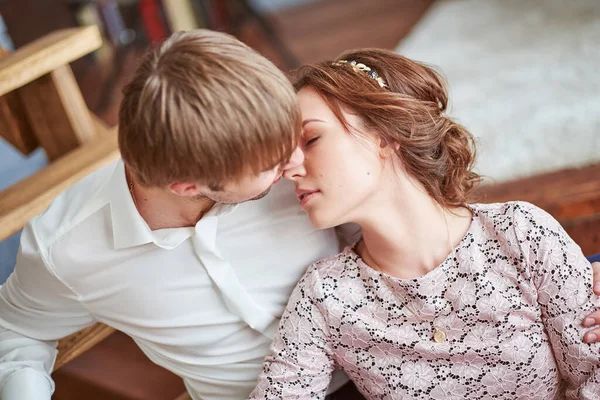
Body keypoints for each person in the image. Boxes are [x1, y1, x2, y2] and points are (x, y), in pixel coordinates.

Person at [0, 30, 599, 400]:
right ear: (187, 183)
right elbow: (15, 334)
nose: (291, 164)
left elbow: (412, 204)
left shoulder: (514, 231)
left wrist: (580, 273)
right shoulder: (66, 249)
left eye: (302, 137)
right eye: (277, 157)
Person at [250, 49, 600, 399]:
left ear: (386, 135)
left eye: (311, 140)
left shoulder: (520, 233)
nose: (289, 170)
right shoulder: (325, 294)